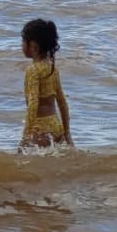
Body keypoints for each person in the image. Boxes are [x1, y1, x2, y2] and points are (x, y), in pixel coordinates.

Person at [18, 18, 73, 151]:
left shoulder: (32, 70)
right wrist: (67, 133)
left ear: (33, 46)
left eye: (23, 41)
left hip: (40, 128)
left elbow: (33, 104)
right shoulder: (52, 68)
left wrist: (25, 136)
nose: (21, 45)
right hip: (56, 125)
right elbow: (62, 102)